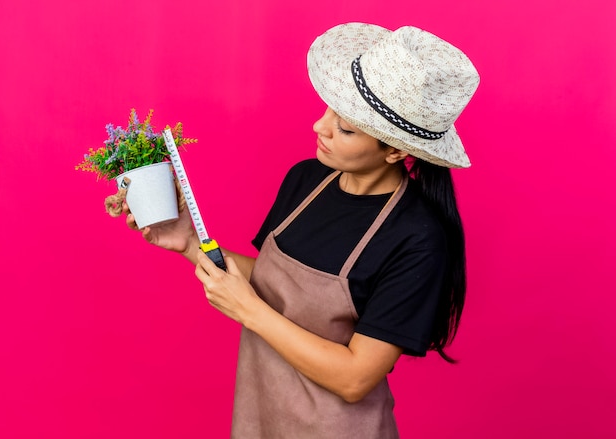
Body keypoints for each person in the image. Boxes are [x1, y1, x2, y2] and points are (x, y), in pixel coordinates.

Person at [124, 22, 479, 438]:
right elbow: (277, 283)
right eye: (329, 109)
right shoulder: (307, 179)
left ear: (396, 150)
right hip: (260, 417)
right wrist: (187, 241)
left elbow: (354, 379)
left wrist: (249, 311)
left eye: (345, 128)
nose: (320, 127)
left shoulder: (417, 238)